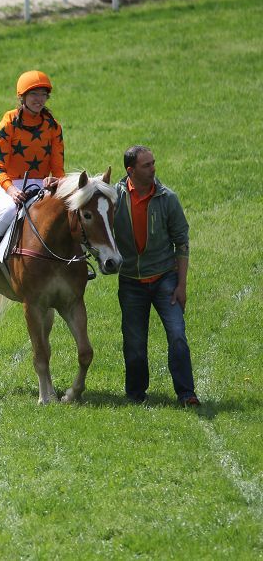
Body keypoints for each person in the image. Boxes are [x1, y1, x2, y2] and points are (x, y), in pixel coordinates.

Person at [114, 145, 199, 406]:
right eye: (147, 165)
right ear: (131, 171)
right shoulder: (114, 198)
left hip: (166, 280)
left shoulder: (168, 199)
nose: (153, 169)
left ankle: (186, 393)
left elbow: (181, 243)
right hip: (131, 282)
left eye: (153, 163)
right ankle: (135, 395)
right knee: (134, 344)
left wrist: (181, 285)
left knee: (177, 335)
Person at [0, 70, 65, 279]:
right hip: (12, 185)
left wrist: (55, 180)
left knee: (67, 211)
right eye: (34, 94)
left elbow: (59, 170)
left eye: (43, 95)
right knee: (9, 212)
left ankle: (77, 262)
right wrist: (12, 191)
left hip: (42, 186)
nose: (39, 99)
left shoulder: (53, 127)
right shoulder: (8, 123)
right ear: (22, 97)